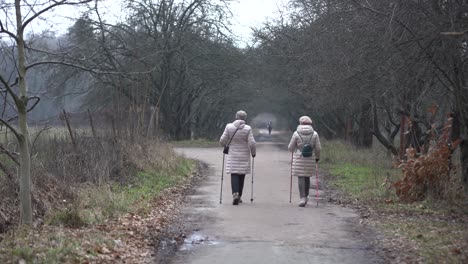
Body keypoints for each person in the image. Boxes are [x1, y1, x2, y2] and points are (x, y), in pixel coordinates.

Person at [220, 110, 257, 205]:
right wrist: (253, 153)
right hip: (244, 154)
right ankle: (239, 196)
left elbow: (222, 140)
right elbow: (252, 143)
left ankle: (235, 194)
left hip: (233, 154)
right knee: (241, 174)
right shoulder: (248, 128)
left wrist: (225, 145)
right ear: (245, 118)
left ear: (236, 117)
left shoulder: (229, 126)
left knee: (234, 173)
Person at [288, 116, 321, 207]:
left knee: (301, 177)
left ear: (300, 123)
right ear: (310, 124)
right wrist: (317, 158)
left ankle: (302, 198)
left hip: (299, 158)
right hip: (310, 157)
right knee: (307, 176)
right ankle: (306, 196)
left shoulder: (296, 133)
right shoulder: (315, 134)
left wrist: (295, 150)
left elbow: (290, 148)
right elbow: (318, 148)